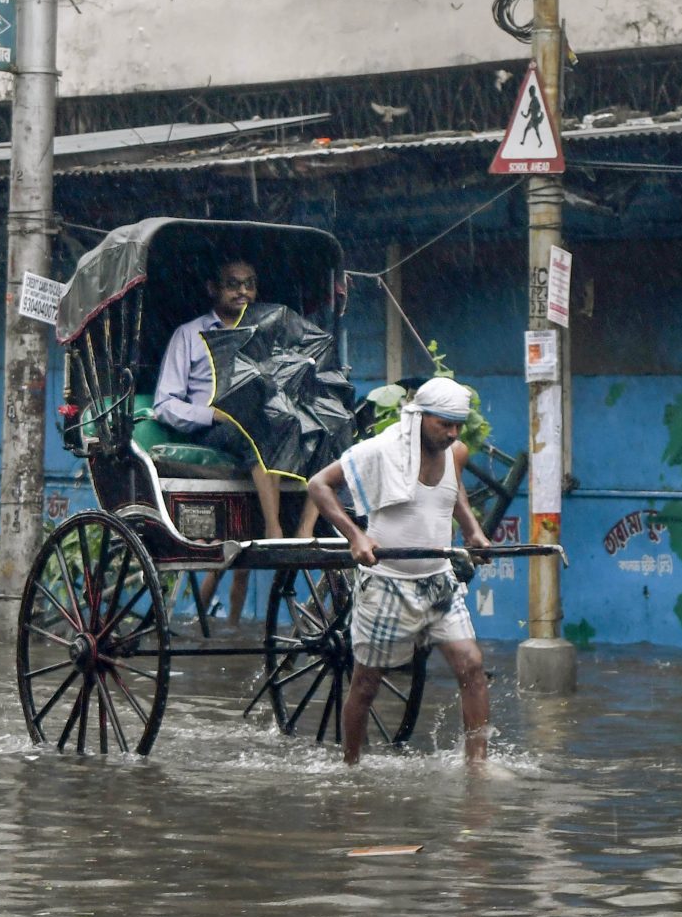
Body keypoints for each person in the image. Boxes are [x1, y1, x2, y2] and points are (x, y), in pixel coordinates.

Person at [305, 376, 494, 763]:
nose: (452, 433)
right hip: (388, 583)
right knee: (367, 683)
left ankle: (478, 766)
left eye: (458, 425)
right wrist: (356, 537)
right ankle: (352, 766)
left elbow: (454, 492)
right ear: (421, 417)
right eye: (444, 424)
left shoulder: (455, 453)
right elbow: (318, 485)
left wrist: (473, 530)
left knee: (472, 666)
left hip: (439, 582)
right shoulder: (381, 450)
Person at [152, 257, 320, 622]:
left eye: (250, 284)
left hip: (267, 423)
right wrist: (213, 414)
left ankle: (307, 526)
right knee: (256, 426)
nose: (243, 291)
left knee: (320, 427)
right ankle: (274, 528)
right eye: (233, 284)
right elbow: (165, 404)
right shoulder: (190, 335)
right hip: (212, 428)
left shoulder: (266, 334)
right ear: (214, 289)